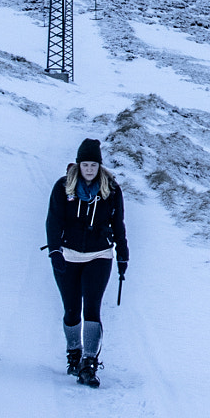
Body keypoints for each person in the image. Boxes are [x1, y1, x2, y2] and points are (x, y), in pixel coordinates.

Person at [44, 138, 129, 388]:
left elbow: (119, 224)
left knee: (91, 308)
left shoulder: (111, 189)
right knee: (72, 310)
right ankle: (74, 353)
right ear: (78, 165)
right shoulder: (63, 188)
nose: (89, 169)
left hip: (99, 255)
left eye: (94, 165)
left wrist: (123, 255)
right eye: (85, 164)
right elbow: (53, 221)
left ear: (99, 166)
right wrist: (54, 251)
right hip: (68, 255)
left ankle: (89, 363)